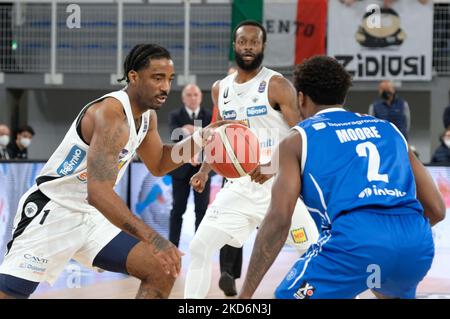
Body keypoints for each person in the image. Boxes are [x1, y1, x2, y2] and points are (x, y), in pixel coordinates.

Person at [0, 43, 229, 299]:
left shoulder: (147, 117)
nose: (165, 87)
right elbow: (98, 193)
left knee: (161, 270)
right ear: (133, 76)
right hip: (53, 212)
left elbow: (159, 163)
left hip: (90, 218)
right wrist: (154, 238)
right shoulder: (111, 115)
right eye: (157, 78)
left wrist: (201, 138)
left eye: (169, 79)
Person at [239, 56, 445, 299]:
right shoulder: (389, 129)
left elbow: (279, 220)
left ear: (301, 98)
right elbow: (437, 210)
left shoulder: (298, 139)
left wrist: (245, 297)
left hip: (356, 241)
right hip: (416, 244)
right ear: (343, 97)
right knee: (386, 287)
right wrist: (395, 240)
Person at [184, 20, 319, 299]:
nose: (248, 47)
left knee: (314, 254)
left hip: (280, 187)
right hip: (239, 188)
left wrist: (272, 165)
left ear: (263, 46)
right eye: (243, 41)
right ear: (234, 45)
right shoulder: (220, 88)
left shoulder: (278, 85)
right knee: (199, 248)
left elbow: (302, 136)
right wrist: (206, 171)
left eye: (254, 42)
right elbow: (219, 135)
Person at [167, 84, 212, 247]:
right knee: (177, 209)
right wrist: (197, 132)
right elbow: (174, 136)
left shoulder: (209, 115)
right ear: (183, 97)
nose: (192, 98)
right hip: (180, 172)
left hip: (202, 170)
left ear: (200, 96)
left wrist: (191, 129)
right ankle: (172, 247)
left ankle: (199, 247)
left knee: (201, 211)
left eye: (195, 94)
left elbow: (212, 139)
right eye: (189, 95)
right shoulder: (175, 115)